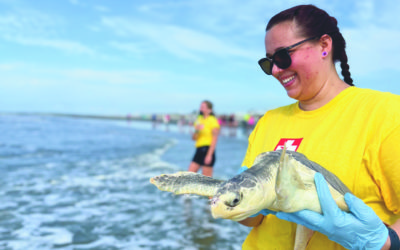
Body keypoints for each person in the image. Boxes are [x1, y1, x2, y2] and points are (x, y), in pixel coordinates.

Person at [237, 4, 400, 250]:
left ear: (324, 45)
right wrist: (238, 200)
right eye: (268, 62)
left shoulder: (386, 113)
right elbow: (253, 220)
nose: (276, 70)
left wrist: (387, 242)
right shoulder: (268, 121)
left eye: (282, 56)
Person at [188, 100, 220, 177]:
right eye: (200, 107)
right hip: (198, 150)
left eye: (203, 107)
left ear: (209, 110)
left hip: (208, 150)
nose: (201, 109)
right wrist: (196, 131)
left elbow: (215, 139)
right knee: (189, 176)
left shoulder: (213, 120)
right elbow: (194, 138)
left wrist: (209, 155)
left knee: (207, 181)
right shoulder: (199, 120)